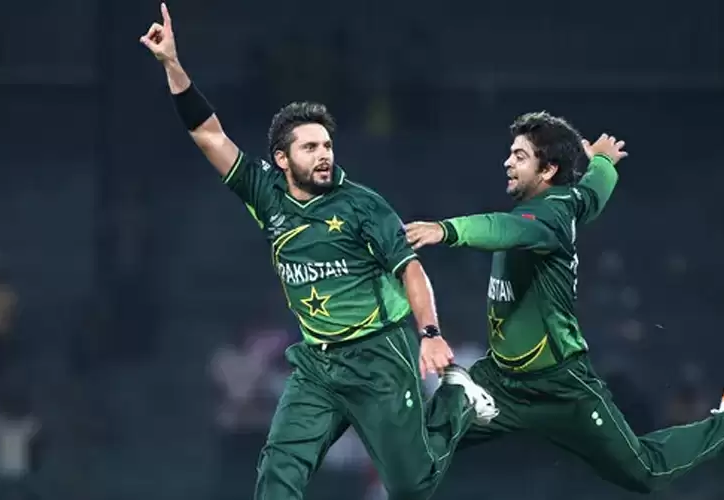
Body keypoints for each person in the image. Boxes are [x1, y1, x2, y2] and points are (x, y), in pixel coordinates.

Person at [139, 4, 497, 500]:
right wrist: (172, 64)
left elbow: (411, 269)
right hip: (317, 362)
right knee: (279, 469)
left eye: (327, 145)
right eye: (310, 147)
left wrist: (430, 334)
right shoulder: (266, 194)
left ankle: (458, 396)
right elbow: (208, 133)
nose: (324, 154)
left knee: (411, 486)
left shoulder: (364, 206)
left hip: (378, 355)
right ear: (281, 159)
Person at [405, 111, 724, 494]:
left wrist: (446, 229)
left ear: (548, 170)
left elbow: (502, 228)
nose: (507, 162)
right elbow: (593, 193)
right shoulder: (568, 200)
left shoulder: (547, 219)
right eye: (510, 153)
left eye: (520, 156)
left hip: (561, 387)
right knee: (414, 452)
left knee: (646, 473)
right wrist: (602, 162)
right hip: (501, 382)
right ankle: (457, 397)